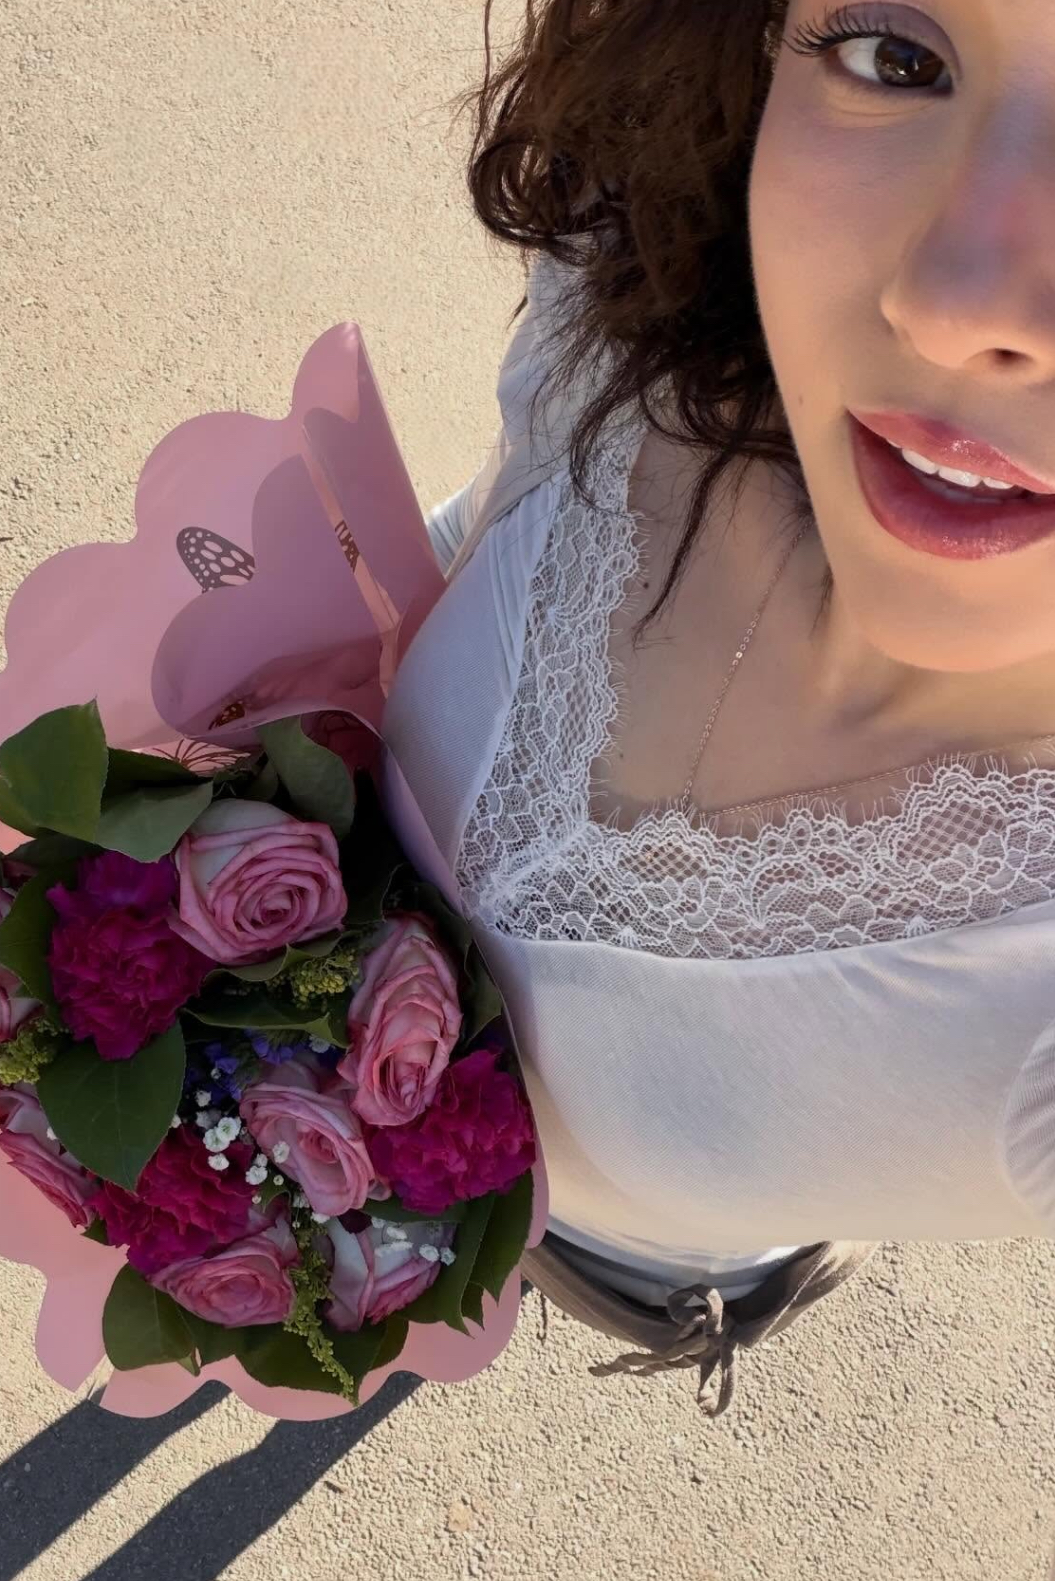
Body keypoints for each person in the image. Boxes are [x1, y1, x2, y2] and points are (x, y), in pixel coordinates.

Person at [383, 0, 1055, 1417]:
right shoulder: (639, 276)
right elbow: (486, 511)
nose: (956, 304)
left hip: (642, 1274)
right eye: (897, 56)